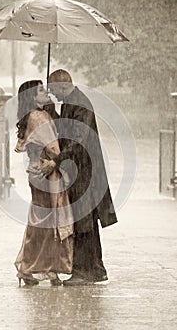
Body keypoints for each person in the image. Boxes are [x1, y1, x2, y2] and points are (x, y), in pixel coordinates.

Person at [40, 69, 117, 286]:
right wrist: (50, 111)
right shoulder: (69, 103)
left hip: (86, 172)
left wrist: (56, 160)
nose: (53, 95)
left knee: (84, 222)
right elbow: (65, 130)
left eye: (54, 90)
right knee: (85, 221)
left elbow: (78, 140)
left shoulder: (80, 103)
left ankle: (85, 271)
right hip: (79, 171)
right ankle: (95, 269)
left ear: (63, 85)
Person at [14, 80, 74, 286]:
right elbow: (54, 148)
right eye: (41, 90)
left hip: (36, 173)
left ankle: (36, 267)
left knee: (41, 221)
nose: (45, 91)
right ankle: (40, 268)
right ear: (32, 96)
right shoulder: (39, 117)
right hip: (45, 173)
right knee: (48, 222)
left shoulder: (33, 115)